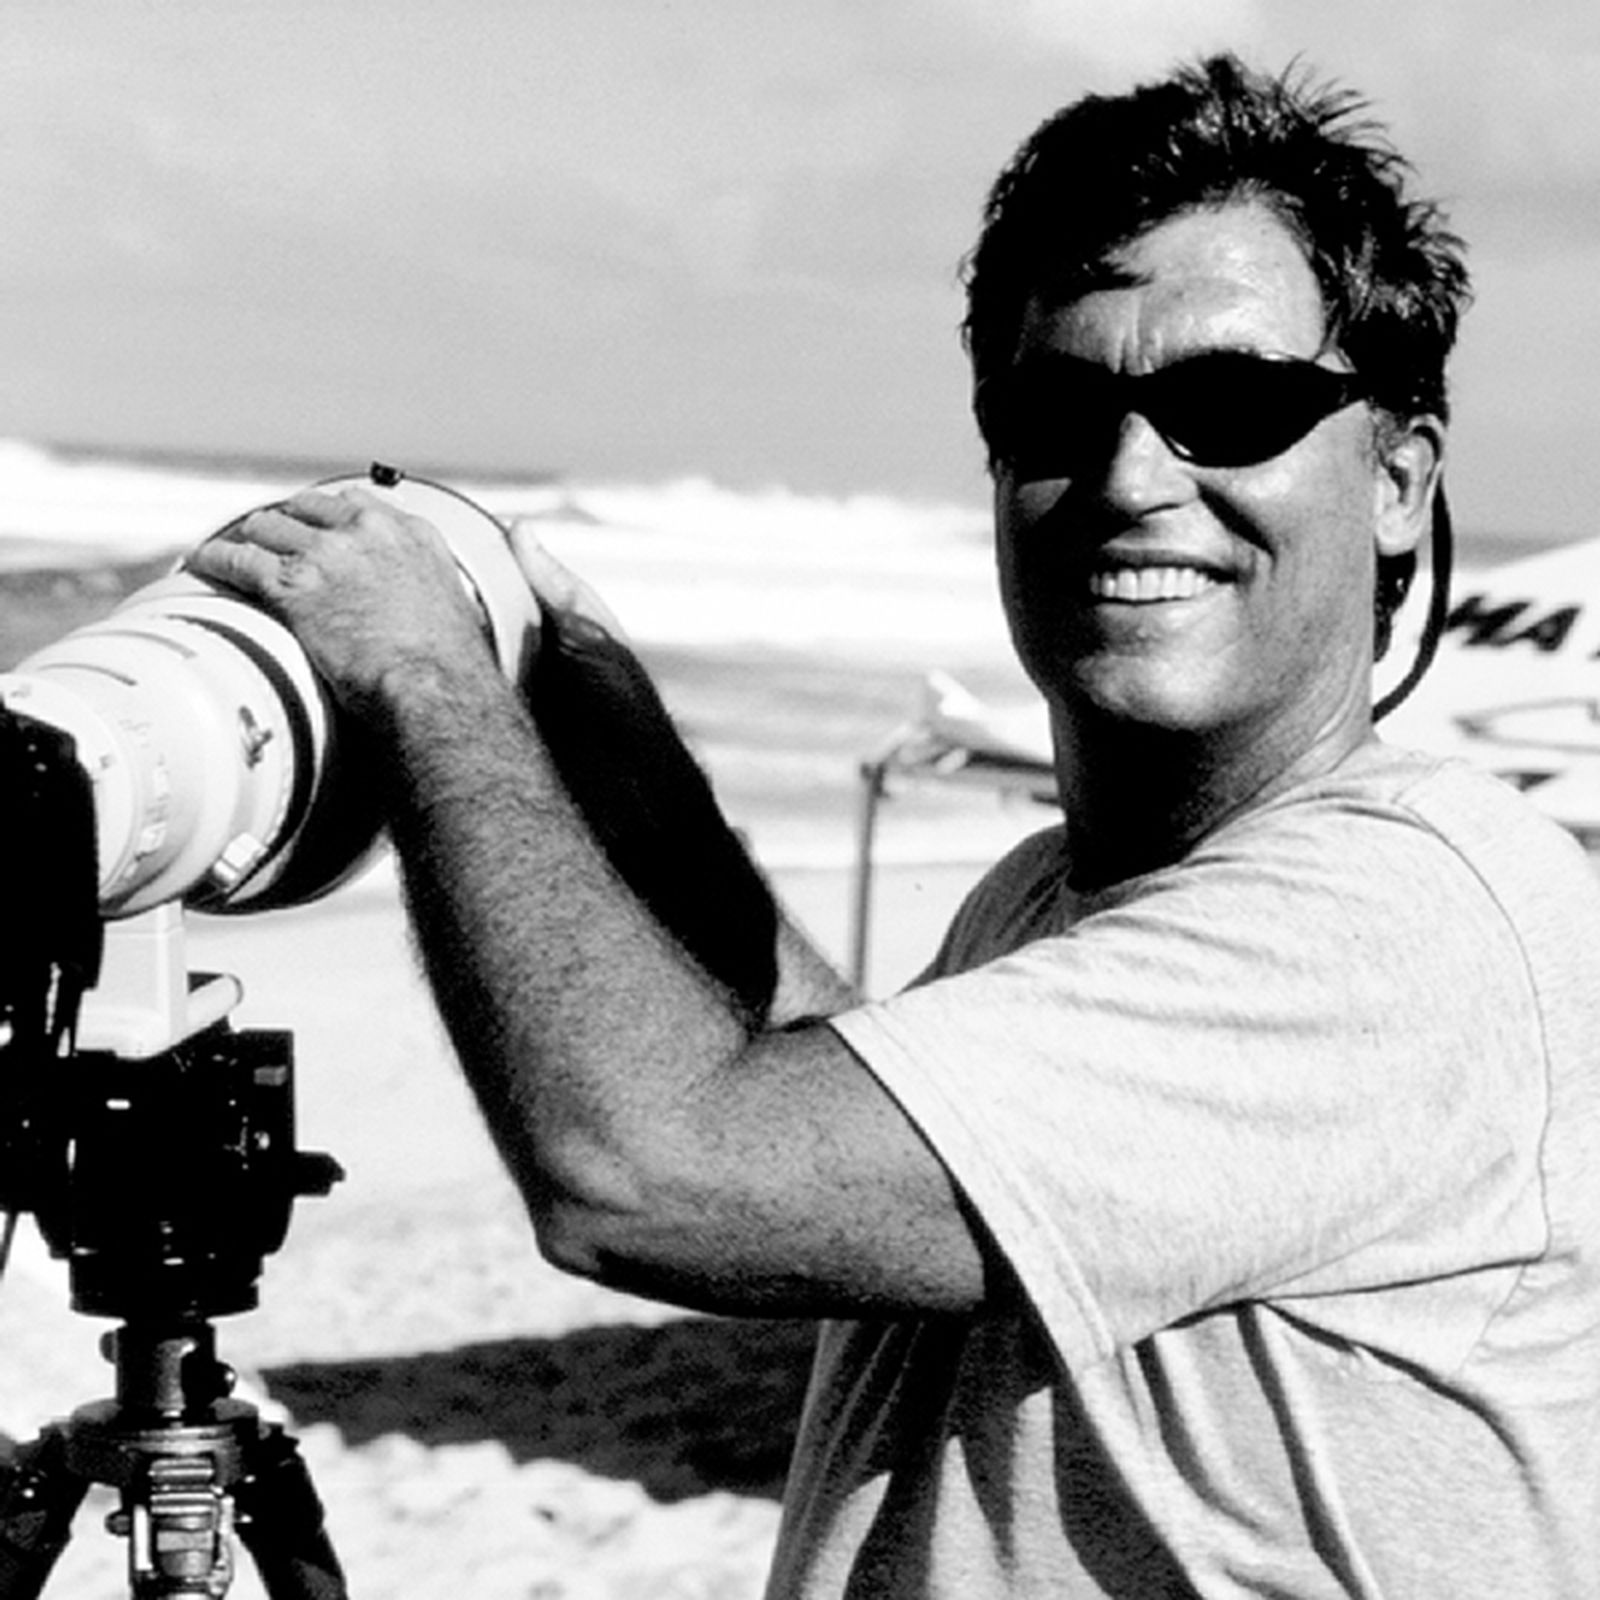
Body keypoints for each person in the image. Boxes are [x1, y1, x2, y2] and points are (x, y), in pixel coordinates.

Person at [188, 52, 1600, 1599]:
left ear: (1400, 480)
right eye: (1058, 410)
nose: (1133, 476)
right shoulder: (1061, 892)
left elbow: (651, 1176)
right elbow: (818, 1121)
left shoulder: (1393, 927)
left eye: (1229, 407)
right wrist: (599, 719)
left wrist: (420, 679)